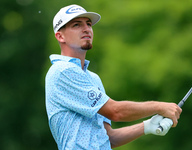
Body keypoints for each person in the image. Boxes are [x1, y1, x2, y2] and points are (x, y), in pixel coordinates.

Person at [45, 4, 182, 150]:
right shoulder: (62, 71)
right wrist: (158, 107)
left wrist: (146, 126)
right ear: (60, 36)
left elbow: (109, 138)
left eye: (89, 24)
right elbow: (115, 111)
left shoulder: (93, 78)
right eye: (77, 25)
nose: (86, 29)